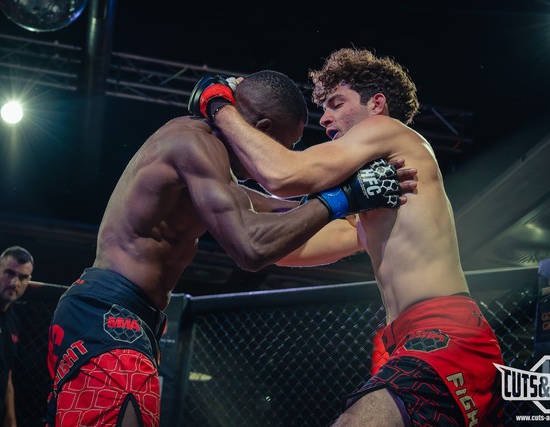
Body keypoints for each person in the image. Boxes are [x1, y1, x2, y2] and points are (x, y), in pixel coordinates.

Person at [45, 70, 416, 427]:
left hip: (124, 317)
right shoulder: (193, 144)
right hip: (110, 315)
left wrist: (354, 210)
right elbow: (251, 247)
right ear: (263, 129)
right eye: (285, 147)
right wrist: (342, 198)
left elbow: (280, 211)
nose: (277, 160)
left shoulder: (212, 165)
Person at [193, 48, 504, 426]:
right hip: (403, 342)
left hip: (443, 333)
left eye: (337, 104)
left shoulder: (388, 130)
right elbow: (291, 246)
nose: (325, 118)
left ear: (377, 104)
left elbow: (283, 175)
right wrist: (206, 189)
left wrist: (219, 106)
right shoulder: (376, 202)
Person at [0, 246, 34, 427]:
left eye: (22, 277)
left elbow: (6, 372)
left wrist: (11, 422)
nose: (14, 282)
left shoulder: (13, 321)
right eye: (9, 273)